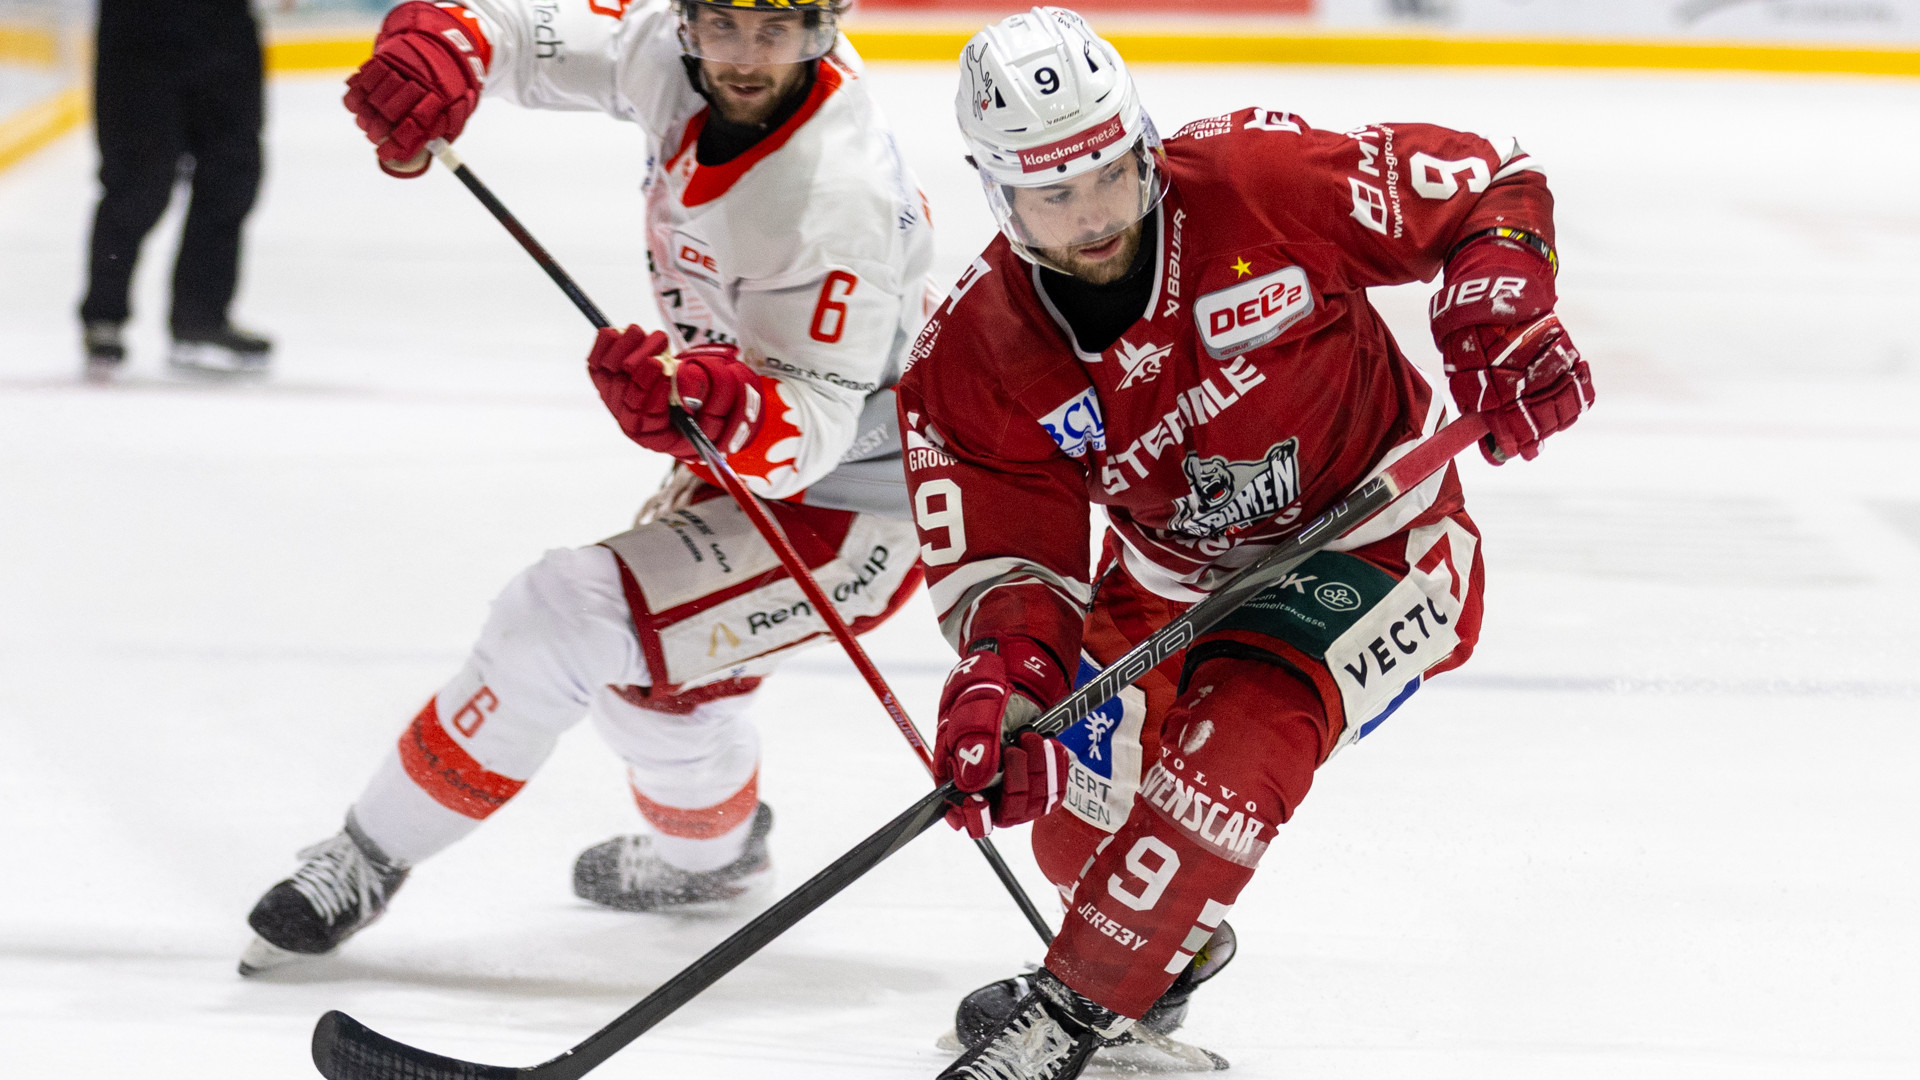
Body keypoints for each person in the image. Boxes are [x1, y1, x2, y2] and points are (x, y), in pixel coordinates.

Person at [898, 8, 1594, 1078]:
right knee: (1075, 833)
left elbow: (1491, 181)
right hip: (1168, 582)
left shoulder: (1255, 183)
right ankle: (1152, 961)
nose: (1090, 217)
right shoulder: (980, 349)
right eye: (1050, 192)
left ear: (1140, 141)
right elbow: (1011, 565)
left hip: (1381, 539)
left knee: (1241, 725)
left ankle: (1072, 1018)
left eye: (1105, 174)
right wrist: (1015, 683)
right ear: (998, 193)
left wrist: (1499, 315)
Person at [238, 0, 935, 975]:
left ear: (823, 27)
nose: (743, 56)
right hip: (743, 441)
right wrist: (442, 46)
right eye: (722, 24)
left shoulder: (835, 193)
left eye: (774, 29)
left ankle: (368, 852)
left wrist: (705, 405)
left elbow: (810, 437)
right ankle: (716, 862)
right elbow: (521, 33)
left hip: (862, 504)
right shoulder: (676, 53)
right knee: (662, 696)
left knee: (561, 617)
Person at [80, 0, 273, 379]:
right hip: (140, 32)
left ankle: (201, 319)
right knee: (137, 184)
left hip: (225, 29)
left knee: (230, 176)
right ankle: (105, 313)